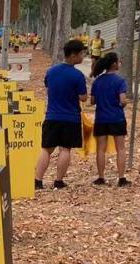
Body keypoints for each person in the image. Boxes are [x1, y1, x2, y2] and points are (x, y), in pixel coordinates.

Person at [35, 39, 88, 190]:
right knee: (65, 149)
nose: (82, 57)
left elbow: (47, 85)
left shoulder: (51, 71)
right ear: (73, 55)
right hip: (70, 118)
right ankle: (58, 181)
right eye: (81, 54)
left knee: (46, 148)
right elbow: (83, 97)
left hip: (52, 116)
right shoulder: (77, 76)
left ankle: (38, 180)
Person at [90, 52, 130, 186]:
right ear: (114, 64)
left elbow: (92, 101)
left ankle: (101, 177)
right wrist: (123, 104)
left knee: (101, 148)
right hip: (117, 118)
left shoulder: (98, 81)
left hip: (101, 118)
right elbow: (123, 100)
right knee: (120, 148)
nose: (119, 64)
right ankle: (121, 177)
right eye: (118, 61)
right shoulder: (120, 81)